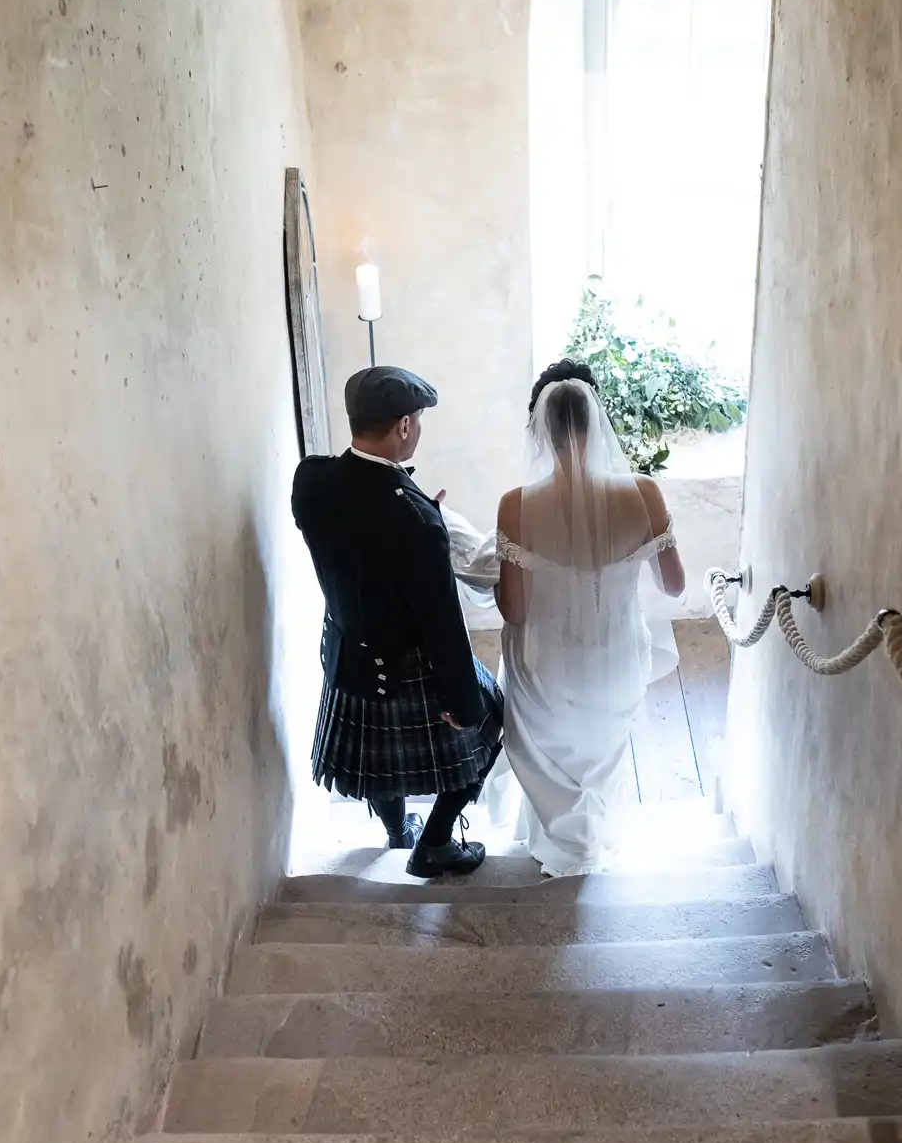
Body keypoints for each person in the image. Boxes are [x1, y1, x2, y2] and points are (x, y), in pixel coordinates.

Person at [292, 365, 501, 878]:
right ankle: (433, 844)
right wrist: (462, 701)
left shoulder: (311, 480)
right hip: (407, 664)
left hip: (348, 652)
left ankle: (395, 831)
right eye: (419, 422)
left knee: (379, 761)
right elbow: (441, 622)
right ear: (404, 425)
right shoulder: (414, 518)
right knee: (491, 716)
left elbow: (357, 531)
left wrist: (415, 510)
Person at [495, 360, 686, 876]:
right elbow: (674, 585)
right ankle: (593, 841)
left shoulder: (515, 506)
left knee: (523, 675)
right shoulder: (645, 493)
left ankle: (562, 846)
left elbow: (514, 610)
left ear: (540, 430)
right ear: (597, 419)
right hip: (617, 663)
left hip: (551, 673)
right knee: (600, 756)